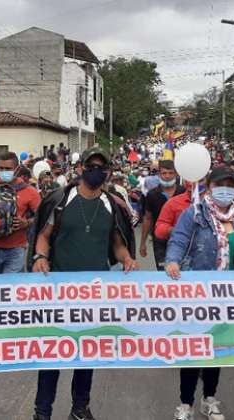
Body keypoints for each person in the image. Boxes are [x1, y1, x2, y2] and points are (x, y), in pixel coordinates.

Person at [30, 147, 137, 420]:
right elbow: (43, 235)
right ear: (80, 168)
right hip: (58, 292)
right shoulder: (61, 200)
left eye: (102, 167)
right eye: (91, 165)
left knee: (87, 354)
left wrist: (126, 259)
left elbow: (117, 243)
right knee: (52, 354)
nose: (96, 171)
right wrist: (40, 256)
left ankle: (80, 408)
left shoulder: (112, 205)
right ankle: (42, 412)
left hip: (94, 294)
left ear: (108, 172)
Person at [165, 166, 234, 420]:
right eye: (219, 184)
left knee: (217, 351)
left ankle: (209, 400)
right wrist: (172, 261)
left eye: (230, 185)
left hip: (228, 296)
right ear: (209, 186)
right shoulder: (194, 214)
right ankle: (185, 405)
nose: (225, 189)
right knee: (193, 350)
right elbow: (178, 241)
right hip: (198, 295)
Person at [140, 160, 185, 270]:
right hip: (159, 241)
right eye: (164, 173)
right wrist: (142, 243)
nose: (167, 176)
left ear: (176, 174)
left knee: (182, 272)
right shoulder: (152, 194)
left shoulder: (184, 192)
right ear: (159, 174)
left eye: (170, 173)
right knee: (163, 272)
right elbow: (147, 218)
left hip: (182, 240)